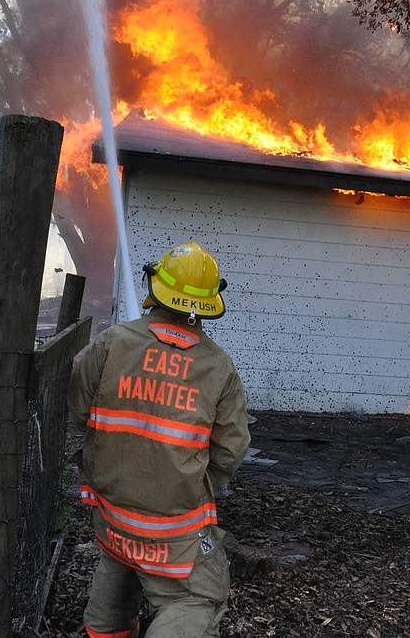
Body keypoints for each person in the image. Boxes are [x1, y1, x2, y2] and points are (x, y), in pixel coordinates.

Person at [70, 241, 250, 638]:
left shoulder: (111, 343)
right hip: (175, 527)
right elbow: (231, 450)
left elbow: (80, 414)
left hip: (113, 514)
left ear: (157, 287)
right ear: (209, 301)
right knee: (198, 597)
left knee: (118, 569)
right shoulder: (217, 366)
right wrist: (189, 483)